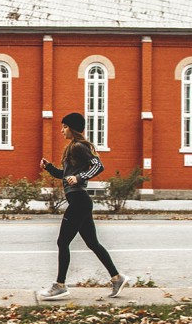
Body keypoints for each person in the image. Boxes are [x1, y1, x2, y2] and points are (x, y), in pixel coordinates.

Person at [38, 112, 130, 301]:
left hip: (79, 201)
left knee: (62, 242)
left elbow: (98, 166)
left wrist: (80, 177)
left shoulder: (79, 146)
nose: (62, 130)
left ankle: (60, 286)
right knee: (92, 243)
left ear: (72, 128)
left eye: (64, 127)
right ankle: (117, 277)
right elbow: (65, 175)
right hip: (80, 201)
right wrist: (49, 167)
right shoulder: (72, 148)